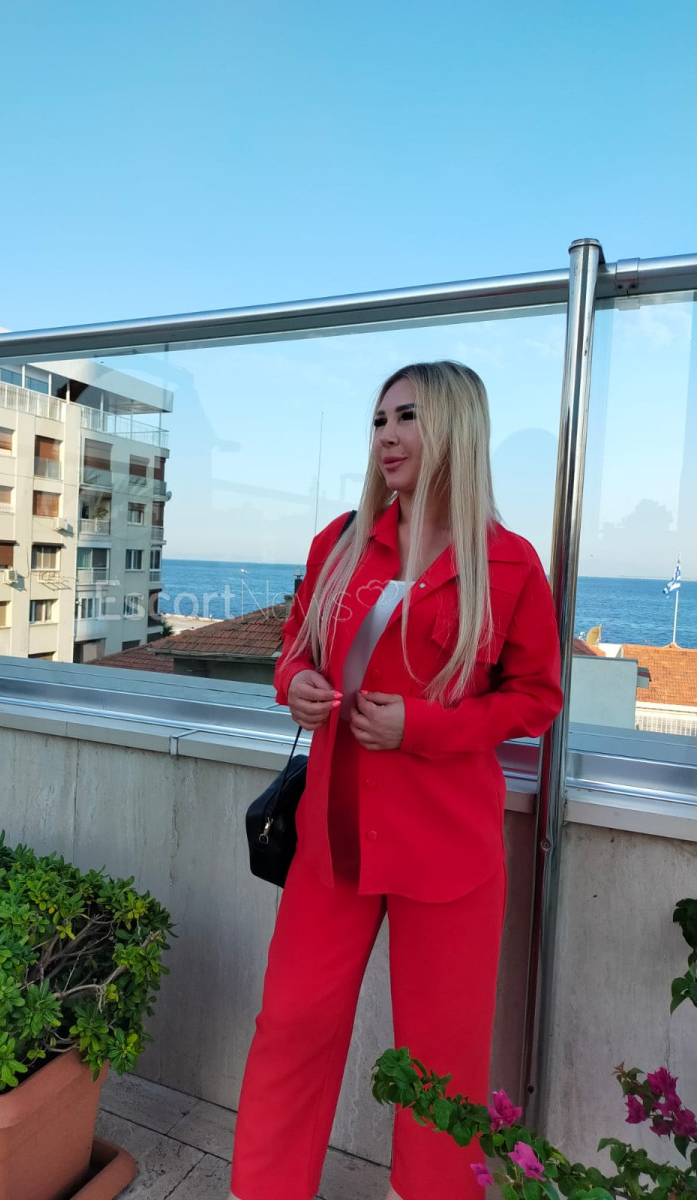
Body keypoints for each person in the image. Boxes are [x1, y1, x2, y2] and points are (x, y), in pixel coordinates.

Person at [229, 361, 563, 1200]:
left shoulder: (510, 565)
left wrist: (424, 728)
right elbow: (296, 647)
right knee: (291, 1024)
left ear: (454, 429)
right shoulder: (340, 544)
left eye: (407, 417)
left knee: (442, 1061)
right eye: (379, 420)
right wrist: (294, 685)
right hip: (333, 840)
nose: (386, 436)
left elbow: (536, 698)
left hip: (449, 853)